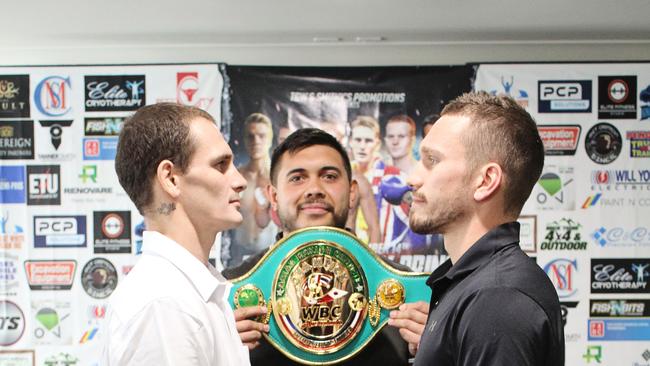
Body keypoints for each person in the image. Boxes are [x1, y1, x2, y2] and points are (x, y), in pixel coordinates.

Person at [224, 128, 427, 365]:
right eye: (297, 178)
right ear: (274, 196)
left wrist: (432, 348)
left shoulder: (404, 290)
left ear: (352, 193)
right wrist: (219, 346)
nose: (315, 190)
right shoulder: (230, 291)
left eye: (329, 176)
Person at [399, 92, 564, 365]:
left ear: (486, 181)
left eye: (432, 161)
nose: (412, 178)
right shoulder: (477, 288)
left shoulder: (498, 298)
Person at [105, 103, 250, 365]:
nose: (240, 180)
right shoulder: (164, 305)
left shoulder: (186, 293)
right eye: (221, 165)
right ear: (171, 179)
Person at [229, 113, 278, 266]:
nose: (256, 141)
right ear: (244, 140)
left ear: (270, 139)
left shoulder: (277, 177)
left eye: (261, 136)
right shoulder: (235, 176)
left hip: (271, 258)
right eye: (251, 136)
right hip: (238, 257)